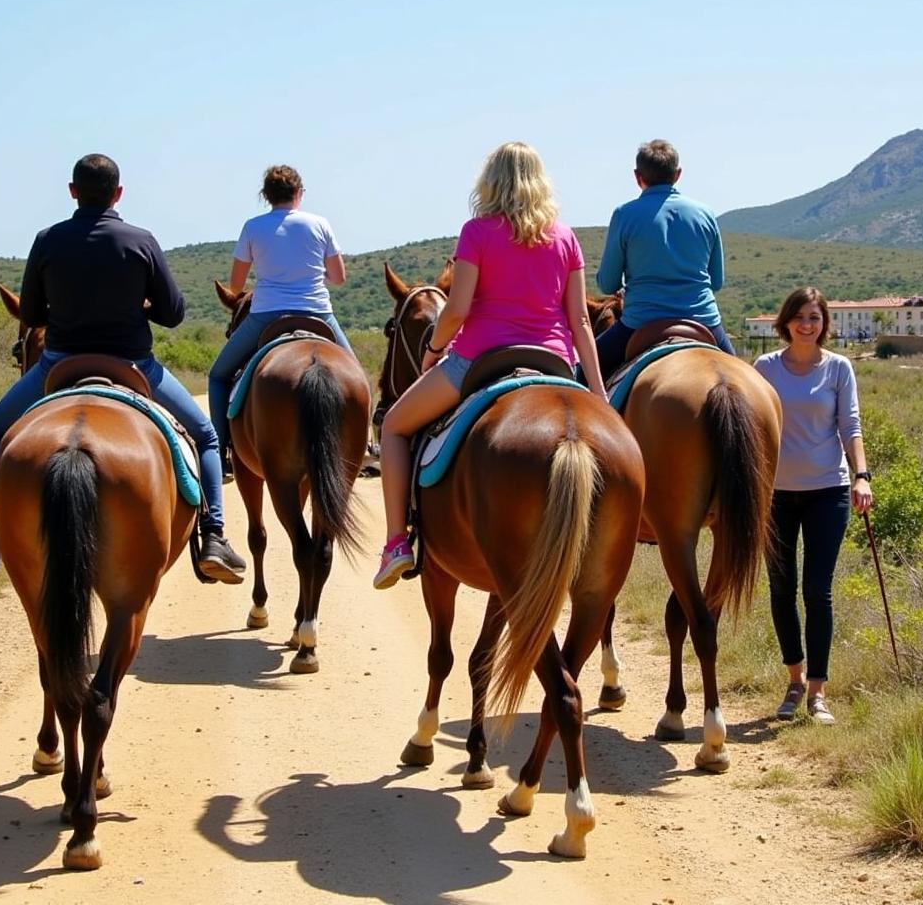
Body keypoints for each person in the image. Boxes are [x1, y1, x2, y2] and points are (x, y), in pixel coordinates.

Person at [0, 154, 248, 584]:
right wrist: (141, 303)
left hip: (59, 362)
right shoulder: (141, 240)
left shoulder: (47, 239)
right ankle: (213, 537)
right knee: (204, 434)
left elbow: (32, 313)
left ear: (73, 191)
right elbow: (173, 314)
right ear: (118, 193)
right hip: (134, 365)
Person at [375, 141, 609, 590]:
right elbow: (580, 319)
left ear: (491, 181)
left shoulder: (477, 232)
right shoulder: (565, 238)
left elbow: (458, 309)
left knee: (395, 426)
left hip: (480, 358)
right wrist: (597, 393)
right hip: (554, 361)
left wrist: (432, 350)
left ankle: (396, 542)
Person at [754, 286, 874, 725]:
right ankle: (793, 681)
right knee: (782, 591)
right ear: (785, 322)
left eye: (815, 317)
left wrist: (861, 476)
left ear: (824, 324)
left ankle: (818, 692)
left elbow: (851, 426)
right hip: (776, 495)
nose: (807, 324)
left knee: (817, 591)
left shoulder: (839, 369)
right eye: (800, 317)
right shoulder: (764, 368)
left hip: (829, 491)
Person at [208, 164, 353, 476]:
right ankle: (364, 444)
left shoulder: (253, 226)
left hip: (267, 313)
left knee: (219, 375)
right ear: (299, 194)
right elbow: (339, 278)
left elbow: (235, 285)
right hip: (318, 313)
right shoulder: (320, 224)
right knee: (356, 377)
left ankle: (220, 451)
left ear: (266, 196)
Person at [592, 139, 735, 382]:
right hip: (703, 319)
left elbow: (607, 284)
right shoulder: (705, 214)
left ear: (637, 177)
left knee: (584, 372)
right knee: (745, 379)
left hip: (640, 322)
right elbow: (717, 281)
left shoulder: (624, 214)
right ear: (677, 174)